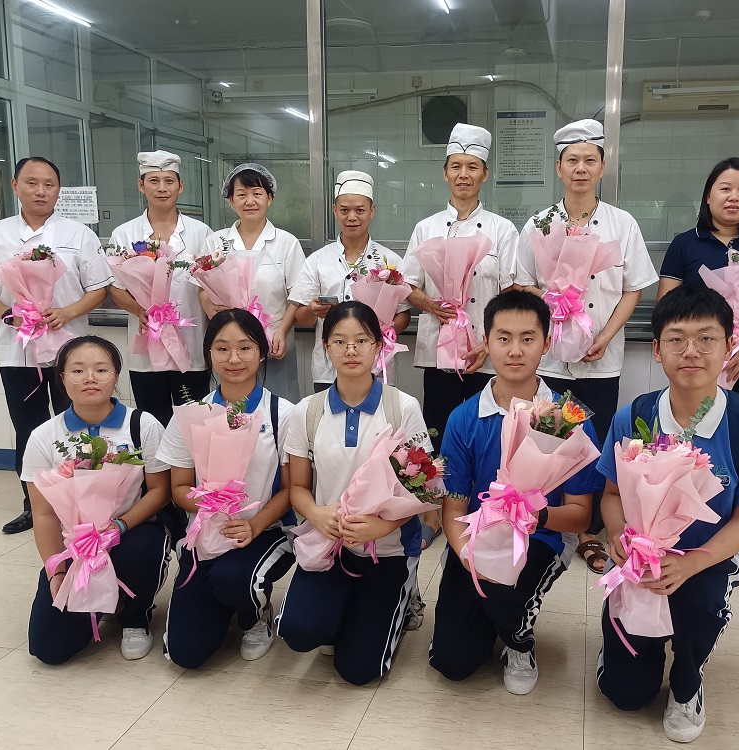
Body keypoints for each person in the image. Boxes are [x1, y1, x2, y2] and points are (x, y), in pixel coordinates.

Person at [595, 285, 739, 742]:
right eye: (676, 339)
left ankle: (688, 682)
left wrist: (691, 563)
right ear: (657, 350)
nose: (691, 352)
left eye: (706, 339)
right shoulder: (634, 417)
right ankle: (624, 654)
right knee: (625, 694)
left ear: (729, 346)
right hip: (642, 557)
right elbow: (611, 495)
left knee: (701, 607)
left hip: (707, 556)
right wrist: (621, 535)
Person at [428, 290, 603, 695]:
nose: (515, 350)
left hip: (542, 537)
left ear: (547, 343)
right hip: (476, 537)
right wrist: (468, 556)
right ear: (486, 342)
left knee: (505, 596)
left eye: (528, 338)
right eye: (503, 338)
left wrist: (537, 516)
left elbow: (579, 516)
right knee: (451, 662)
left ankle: (518, 641)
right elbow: (453, 509)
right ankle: (496, 612)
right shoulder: (464, 418)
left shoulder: (569, 418)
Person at [515, 119, 658, 574]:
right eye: (572, 160)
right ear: (558, 167)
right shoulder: (539, 223)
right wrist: (555, 300)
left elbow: (634, 288)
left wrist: (606, 335)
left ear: (602, 167)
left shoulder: (622, 223)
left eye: (589, 160)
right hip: (551, 358)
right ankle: (546, 519)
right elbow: (521, 283)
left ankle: (589, 531)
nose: (581, 168)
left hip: (602, 358)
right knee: (547, 440)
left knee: (594, 444)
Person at [0, 156, 112, 535]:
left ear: (59, 190)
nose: (41, 191)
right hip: (18, 351)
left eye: (49, 184)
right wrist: (9, 314)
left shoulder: (79, 235)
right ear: (15, 186)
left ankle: (82, 501)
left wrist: (67, 311)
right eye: (32, 183)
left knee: (78, 425)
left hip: (72, 351)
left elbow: (99, 289)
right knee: (29, 428)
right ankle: (34, 505)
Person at [277, 301, 429, 686]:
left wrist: (382, 526)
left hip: (388, 550)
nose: (351, 350)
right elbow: (297, 488)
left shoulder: (402, 407)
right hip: (330, 546)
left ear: (378, 345)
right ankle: (343, 611)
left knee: (358, 671)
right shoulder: (306, 411)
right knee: (298, 633)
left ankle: (403, 596)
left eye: (361, 340)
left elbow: (425, 488)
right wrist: (316, 514)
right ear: (325, 347)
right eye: (340, 341)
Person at [656, 156, 739, 583]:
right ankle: (678, 527)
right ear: (708, 196)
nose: (734, 196)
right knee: (686, 445)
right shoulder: (684, 244)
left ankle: (738, 546)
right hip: (694, 362)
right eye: (725, 188)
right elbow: (667, 304)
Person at [400, 123, 519, 546]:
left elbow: (511, 293)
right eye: (456, 166)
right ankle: (436, 514)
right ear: (445, 173)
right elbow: (406, 284)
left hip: (486, 353)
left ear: (485, 174)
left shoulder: (502, 230)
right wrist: (429, 304)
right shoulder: (426, 227)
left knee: (488, 433)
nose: (463, 174)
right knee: (439, 428)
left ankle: (487, 508)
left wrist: (489, 343)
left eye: (472, 167)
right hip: (438, 349)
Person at [159, 309, 296, 667]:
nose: (234, 359)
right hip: (206, 533)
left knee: (231, 578)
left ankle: (254, 616)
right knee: (185, 654)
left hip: (265, 529)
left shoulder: (284, 414)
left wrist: (254, 524)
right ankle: (225, 604)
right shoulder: (192, 414)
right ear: (209, 354)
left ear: (261, 352)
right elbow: (178, 487)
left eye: (245, 348)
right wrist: (211, 503)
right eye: (222, 349)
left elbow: (291, 488)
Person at [23, 335, 171, 664]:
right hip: (75, 543)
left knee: (142, 551)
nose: (90, 378)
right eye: (77, 371)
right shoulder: (44, 437)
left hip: (131, 530)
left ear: (116, 375)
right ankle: (104, 601)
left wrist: (119, 525)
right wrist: (57, 571)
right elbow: (43, 514)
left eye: (101, 369)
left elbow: (160, 491)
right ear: (62, 377)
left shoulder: (142, 425)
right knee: (49, 648)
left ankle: (135, 616)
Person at [276, 170, 410, 391]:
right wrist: (313, 310)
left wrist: (382, 331)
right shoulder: (317, 260)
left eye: (360, 210)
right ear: (334, 210)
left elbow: (404, 313)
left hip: (376, 367)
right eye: (344, 210)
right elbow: (303, 318)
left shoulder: (390, 261)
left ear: (372, 211)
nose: (352, 217)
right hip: (328, 370)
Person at [108, 150, 214, 426]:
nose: (162, 188)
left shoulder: (201, 232)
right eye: (153, 181)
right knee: (151, 424)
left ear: (181, 186)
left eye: (169, 181)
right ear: (141, 185)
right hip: (147, 347)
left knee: (193, 424)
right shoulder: (125, 234)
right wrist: (139, 310)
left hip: (191, 347)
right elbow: (116, 288)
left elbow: (211, 284)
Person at [200, 163, 306, 403]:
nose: (250, 201)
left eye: (257, 194)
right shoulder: (216, 242)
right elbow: (202, 289)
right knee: (228, 407)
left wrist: (282, 331)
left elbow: (298, 297)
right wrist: (211, 311)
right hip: (230, 345)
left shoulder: (286, 243)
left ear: (270, 198)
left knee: (276, 408)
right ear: (231, 200)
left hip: (274, 342)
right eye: (241, 195)